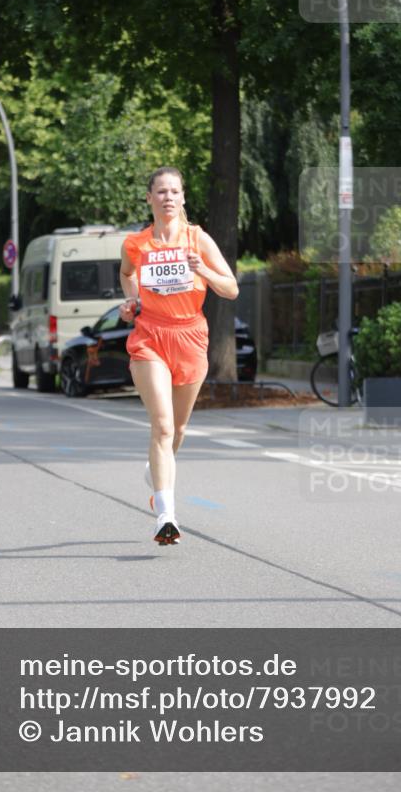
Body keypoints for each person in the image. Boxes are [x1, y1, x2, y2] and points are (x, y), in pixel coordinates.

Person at [119, 167, 238, 545]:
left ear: (183, 198)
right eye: (161, 191)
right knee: (163, 425)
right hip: (150, 336)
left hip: (190, 336)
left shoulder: (197, 239)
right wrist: (133, 299)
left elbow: (231, 288)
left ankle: (156, 473)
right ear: (150, 198)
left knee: (179, 429)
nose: (168, 197)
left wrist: (203, 269)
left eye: (175, 191)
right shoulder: (135, 244)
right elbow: (126, 273)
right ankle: (165, 515)